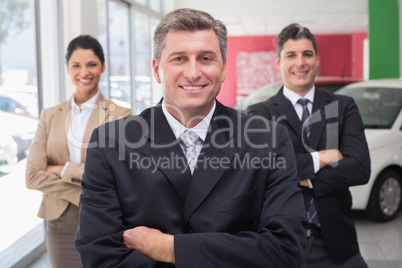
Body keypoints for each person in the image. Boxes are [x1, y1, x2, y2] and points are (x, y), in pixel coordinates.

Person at [75, 8, 307, 267]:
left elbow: (286, 251)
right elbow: (100, 257)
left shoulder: (268, 140)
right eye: (179, 59)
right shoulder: (109, 144)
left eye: (206, 58)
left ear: (223, 69)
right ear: (156, 69)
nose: (194, 72)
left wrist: (169, 248)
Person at [246, 23, 370, 267]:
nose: (300, 62)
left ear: (317, 60)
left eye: (307, 54)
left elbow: (360, 168)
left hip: (338, 243)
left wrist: (301, 175)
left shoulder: (344, 106)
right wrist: (321, 159)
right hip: (280, 243)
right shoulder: (259, 114)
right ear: (278, 62)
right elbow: (261, 169)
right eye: (291, 55)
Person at [25, 35, 131, 268]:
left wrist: (60, 169)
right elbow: (32, 176)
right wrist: (83, 193)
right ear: (68, 68)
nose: (84, 72)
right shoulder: (50, 115)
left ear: (103, 66)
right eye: (76, 65)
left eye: (92, 64)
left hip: (104, 221)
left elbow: (115, 175)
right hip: (59, 222)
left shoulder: (119, 115)